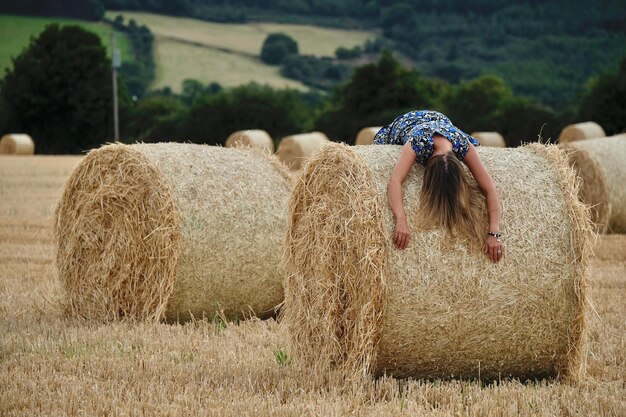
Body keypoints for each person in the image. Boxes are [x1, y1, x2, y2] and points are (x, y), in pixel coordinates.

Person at [373, 110, 504, 263]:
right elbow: (395, 181)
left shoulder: (462, 144)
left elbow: (490, 188)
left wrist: (494, 233)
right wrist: (400, 219)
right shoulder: (418, 142)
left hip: (440, 120)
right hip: (407, 122)